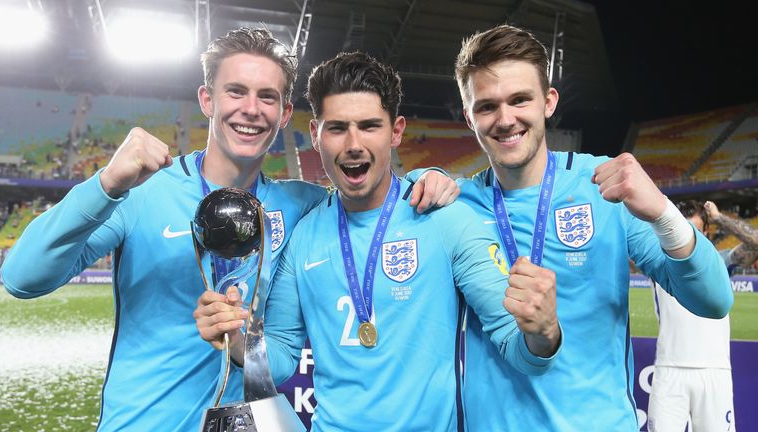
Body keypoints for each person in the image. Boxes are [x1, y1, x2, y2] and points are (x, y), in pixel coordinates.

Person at [0, 28, 456, 432]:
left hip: (252, 422)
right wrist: (106, 184)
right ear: (207, 100)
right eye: (236, 92)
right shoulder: (142, 192)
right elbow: (21, 278)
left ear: (284, 114)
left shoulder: (300, 204)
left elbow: (373, 193)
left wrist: (424, 179)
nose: (251, 110)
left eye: (268, 97)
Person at [195, 51, 562, 431]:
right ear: (317, 134)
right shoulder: (303, 236)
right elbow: (283, 357)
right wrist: (238, 340)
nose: (353, 144)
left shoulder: (444, 218)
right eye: (337, 128)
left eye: (369, 126)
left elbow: (518, 347)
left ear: (396, 131)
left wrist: (544, 332)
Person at [452, 25, 733, 430]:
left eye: (519, 100)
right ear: (469, 116)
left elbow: (714, 300)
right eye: (486, 107)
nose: (505, 119)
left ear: (548, 102)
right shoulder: (455, 204)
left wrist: (663, 214)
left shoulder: (603, 186)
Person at [647, 200, 755, 431]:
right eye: (681, 229)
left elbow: (756, 243)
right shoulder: (657, 260)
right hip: (669, 370)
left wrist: (719, 218)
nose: (686, 238)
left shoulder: (720, 263)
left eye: (694, 230)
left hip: (714, 372)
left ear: (706, 231)